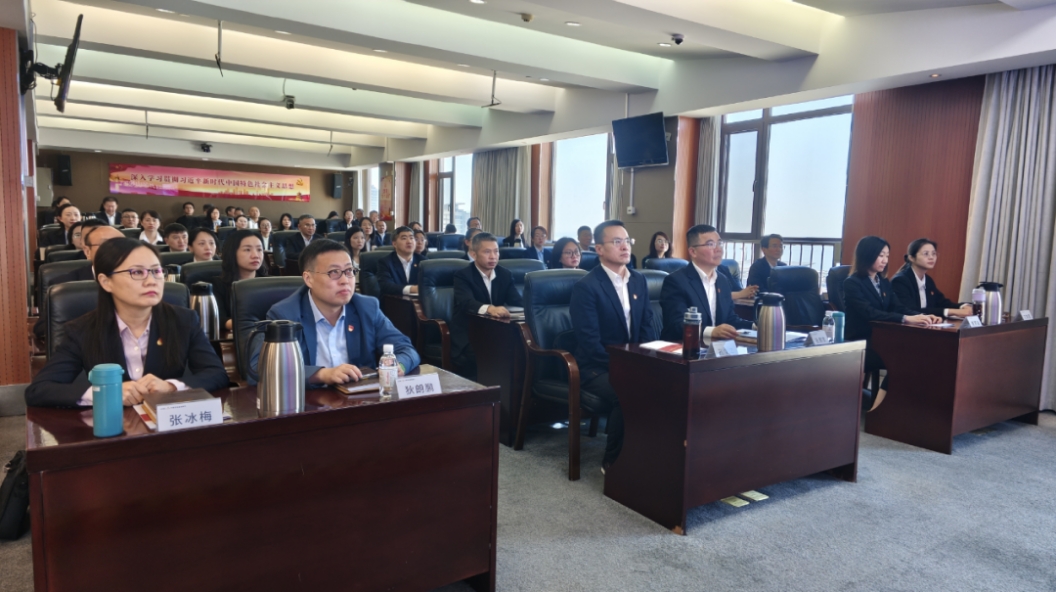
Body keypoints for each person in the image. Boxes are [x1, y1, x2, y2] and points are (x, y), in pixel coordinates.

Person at [25, 238, 228, 408]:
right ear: (106, 282)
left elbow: (216, 374)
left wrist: (171, 386)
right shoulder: (82, 330)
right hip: (110, 428)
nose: (152, 281)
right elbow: (39, 390)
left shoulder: (183, 320)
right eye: (137, 272)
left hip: (166, 427)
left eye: (156, 271)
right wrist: (106, 393)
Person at [249, 239, 419, 388]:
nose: (345, 280)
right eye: (334, 272)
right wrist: (321, 374)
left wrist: (399, 366)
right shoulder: (284, 314)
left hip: (358, 402)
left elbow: (406, 349)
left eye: (349, 271)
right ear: (309, 279)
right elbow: (259, 368)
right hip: (307, 404)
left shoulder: (367, 307)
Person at [570, 221, 656, 472]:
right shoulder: (586, 287)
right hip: (596, 367)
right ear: (599, 249)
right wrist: (626, 366)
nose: (625, 247)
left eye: (627, 241)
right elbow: (590, 342)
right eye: (617, 242)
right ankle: (614, 462)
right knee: (629, 391)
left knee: (669, 384)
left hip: (631, 362)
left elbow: (647, 327)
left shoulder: (638, 280)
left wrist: (644, 361)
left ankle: (651, 455)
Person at [844, 236, 941, 412]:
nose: (885, 260)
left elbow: (898, 307)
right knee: (904, 358)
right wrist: (905, 319)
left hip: (883, 340)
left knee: (921, 353)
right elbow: (870, 313)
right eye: (881, 255)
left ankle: (904, 408)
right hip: (862, 343)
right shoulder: (852, 283)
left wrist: (922, 316)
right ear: (868, 255)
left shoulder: (883, 282)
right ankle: (878, 411)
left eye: (887, 256)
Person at [659, 224, 753, 342]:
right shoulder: (676, 281)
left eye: (719, 243)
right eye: (710, 244)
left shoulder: (723, 280)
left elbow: (730, 319)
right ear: (693, 251)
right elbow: (677, 325)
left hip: (715, 347)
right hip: (683, 347)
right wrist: (711, 331)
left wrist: (755, 326)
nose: (718, 249)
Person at [32, 223, 121, 343]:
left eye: (121, 245)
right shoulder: (63, 285)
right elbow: (43, 328)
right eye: (106, 245)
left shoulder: (137, 282)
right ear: (87, 251)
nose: (115, 251)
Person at [451, 232, 523, 377]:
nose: (493, 256)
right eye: (487, 252)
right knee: (491, 354)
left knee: (520, 350)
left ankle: (512, 390)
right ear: (474, 254)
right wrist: (490, 309)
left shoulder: (504, 274)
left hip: (497, 330)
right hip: (469, 332)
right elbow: (467, 302)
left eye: (496, 251)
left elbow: (517, 300)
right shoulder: (463, 275)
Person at [891, 238, 973, 318]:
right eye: (926, 254)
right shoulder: (900, 281)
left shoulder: (928, 280)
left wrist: (963, 306)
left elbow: (942, 302)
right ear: (911, 258)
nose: (931, 257)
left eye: (934, 254)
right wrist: (951, 312)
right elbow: (910, 310)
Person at [210, 229, 268, 330]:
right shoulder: (216, 285)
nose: (255, 255)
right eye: (247, 250)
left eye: (259, 249)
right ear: (232, 253)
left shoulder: (270, 284)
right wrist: (251, 325)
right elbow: (218, 319)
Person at [376, 227, 425, 296]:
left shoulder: (423, 261)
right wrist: (411, 289)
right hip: (393, 301)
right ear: (394, 244)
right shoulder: (385, 262)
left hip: (419, 301)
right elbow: (386, 286)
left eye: (411, 238)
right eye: (404, 238)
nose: (409, 241)